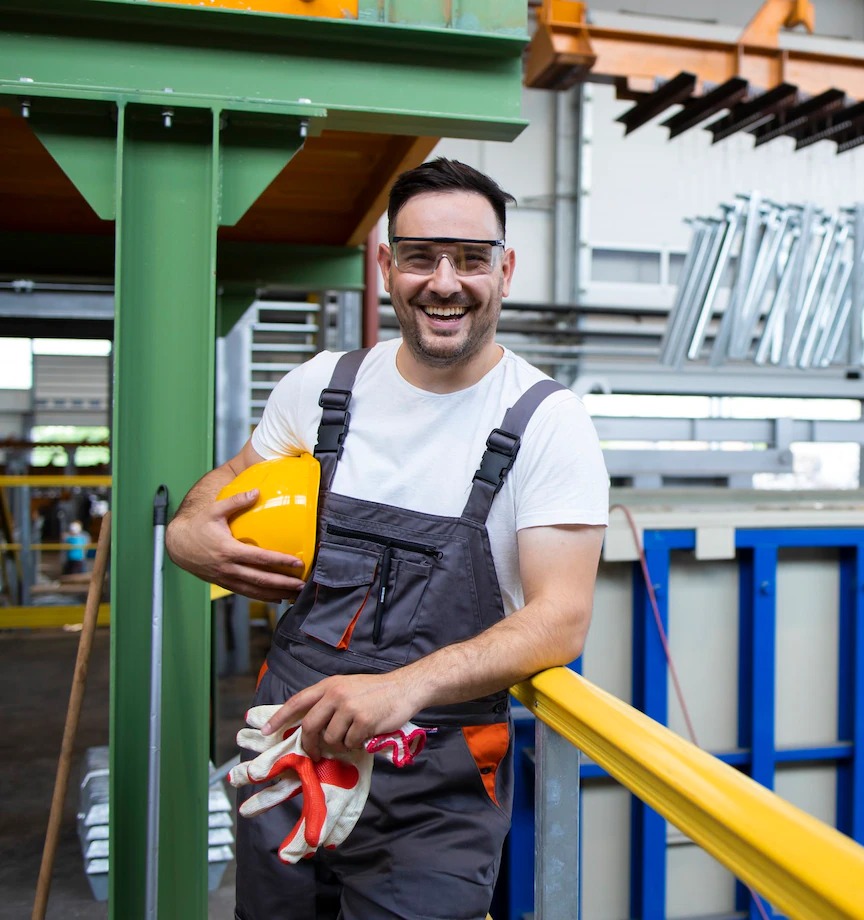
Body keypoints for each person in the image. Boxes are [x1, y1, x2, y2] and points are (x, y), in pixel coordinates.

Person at [165, 159, 609, 919]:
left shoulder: (546, 423)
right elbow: (230, 481)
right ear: (385, 266)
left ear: (505, 270)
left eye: (470, 259)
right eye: (419, 256)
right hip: (292, 756)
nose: (444, 281)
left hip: (432, 795)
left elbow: (560, 617)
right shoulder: (321, 388)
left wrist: (404, 687)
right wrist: (184, 534)